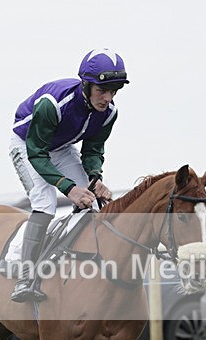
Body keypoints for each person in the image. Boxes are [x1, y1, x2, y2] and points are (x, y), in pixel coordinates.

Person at [9, 48, 128, 302]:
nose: (107, 98)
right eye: (101, 90)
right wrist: (68, 188)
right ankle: (24, 275)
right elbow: (38, 154)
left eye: (113, 92)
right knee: (46, 202)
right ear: (86, 85)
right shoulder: (52, 105)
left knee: (92, 201)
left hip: (61, 148)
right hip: (28, 145)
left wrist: (96, 179)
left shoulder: (109, 113)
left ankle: (77, 267)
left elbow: (93, 151)